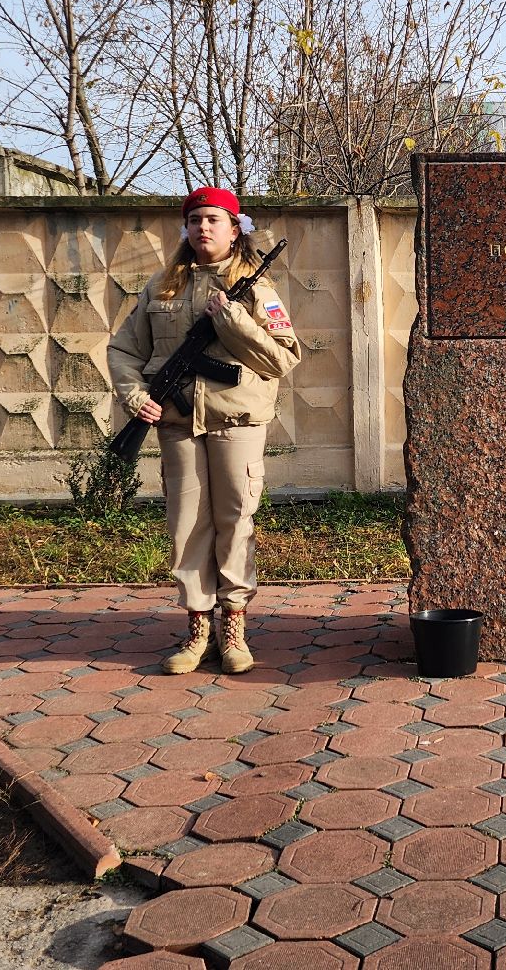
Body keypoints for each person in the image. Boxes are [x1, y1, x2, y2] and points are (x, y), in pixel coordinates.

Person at [108, 187, 301, 675]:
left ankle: (232, 627)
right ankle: (198, 628)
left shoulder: (256, 290)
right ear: (186, 230)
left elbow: (282, 357)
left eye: (214, 219)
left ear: (235, 230)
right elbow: (124, 351)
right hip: (176, 422)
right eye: (195, 220)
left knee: (236, 519)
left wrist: (233, 320)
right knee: (187, 524)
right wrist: (135, 396)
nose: (203, 228)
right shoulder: (161, 286)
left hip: (237, 421)